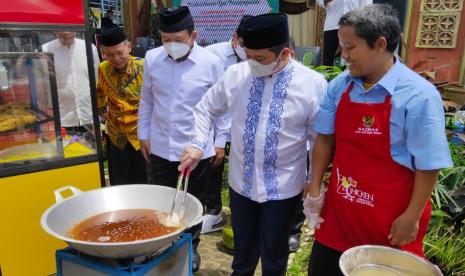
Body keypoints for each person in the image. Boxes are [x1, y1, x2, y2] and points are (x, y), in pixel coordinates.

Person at [304, 4, 453, 275]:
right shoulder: (340, 86)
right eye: (342, 46)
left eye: (350, 47)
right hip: (340, 215)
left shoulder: (418, 95)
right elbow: (324, 138)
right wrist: (314, 187)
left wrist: (411, 216)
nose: (343, 55)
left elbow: (428, 163)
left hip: (390, 221)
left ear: (380, 44)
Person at [179, 13, 327, 275]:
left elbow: (318, 139)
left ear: (284, 53)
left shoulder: (312, 84)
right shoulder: (235, 75)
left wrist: (312, 180)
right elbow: (204, 109)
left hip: (283, 187)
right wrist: (198, 143)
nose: (253, 63)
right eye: (249, 56)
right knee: (243, 254)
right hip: (241, 184)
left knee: (275, 255)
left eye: (261, 59)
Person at [137, 6, 225, 272]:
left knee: (193, 202)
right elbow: (147, 100)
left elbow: (221, 107)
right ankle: (162, 245)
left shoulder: (211, 63)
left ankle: (190, 246)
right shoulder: (152, 58)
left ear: (193, 35)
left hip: (196, 147)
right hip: (161, 144)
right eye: (166, 39)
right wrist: (143, 134)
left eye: (178, 39)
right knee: (162, 199)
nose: (171, 45)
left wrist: (220, 141)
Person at [200, 15, 252, 234]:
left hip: (244, 123)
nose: (246, 50)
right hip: (218, 121)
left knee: (243, 169)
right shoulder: (212, 55)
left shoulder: (258, 56)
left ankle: (243, 213)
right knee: (213, 166)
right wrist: (218, 139)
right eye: (242, 44)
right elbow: (209, 98)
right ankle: (212, 213)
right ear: (234, 38)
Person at [96, 27, 147, 185]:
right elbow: (99, 91)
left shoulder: (144, 67)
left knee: (144, 181)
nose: (116, 59)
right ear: (103, 52)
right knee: (120, 180)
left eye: (120, 53)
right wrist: (102, 109)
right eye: (109, 54)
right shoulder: (103, 68)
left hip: (141, 135)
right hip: (116, 134)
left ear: (129, 47)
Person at [42, 31, 100, 132]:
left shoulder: (89, 47)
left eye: (69, 27)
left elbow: (97, 79)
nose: (66, 32)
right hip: (62, 118)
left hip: (89, 115)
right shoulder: (45, 50)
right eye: (61, 28)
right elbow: (42, 85)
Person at [317, 0, 372, 66]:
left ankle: (351, 75)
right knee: (328, 59)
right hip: (332, 25)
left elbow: (367, 6)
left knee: (353, 56)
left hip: (354, 26)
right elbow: (321, 2)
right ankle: (329, 76)